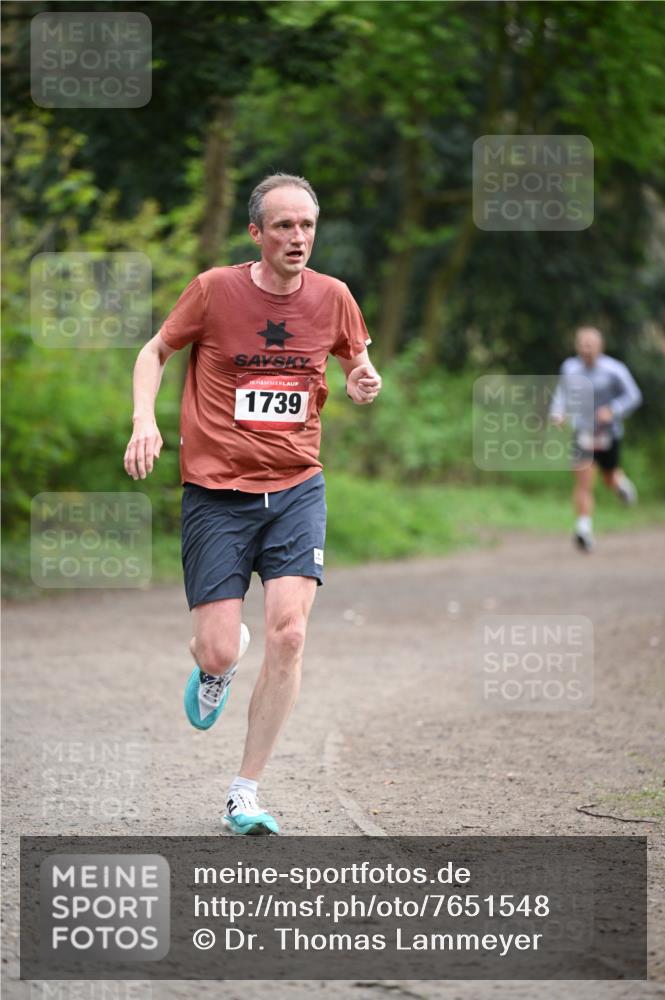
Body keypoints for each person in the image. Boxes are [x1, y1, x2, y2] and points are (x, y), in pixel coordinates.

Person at [124, 173, 381, 834]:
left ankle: (245, 791)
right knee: (215, 649)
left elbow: (354, 357)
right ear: (256, 233)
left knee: (290, 632)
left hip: (297, 487)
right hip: (216, 493)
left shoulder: (334, 297)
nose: (298, 238)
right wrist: (144, 422)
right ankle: (219, 665)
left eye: (307, 226)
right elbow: (155, 350)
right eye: (284, 226)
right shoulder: (214, 290)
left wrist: (360, 376)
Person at [549, 326, 642, 552]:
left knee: (608, 477)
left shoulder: (614, 369)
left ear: (600, 346)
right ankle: (583, 529)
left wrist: (613, 409)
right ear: (576, 346)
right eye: (582, 344)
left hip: (608, 433)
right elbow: (562, 393)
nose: (586, 348)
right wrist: (558, 412)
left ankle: (619, 484)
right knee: (583, 480)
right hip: (583, 431)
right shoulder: (570, 368)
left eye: (590, 344)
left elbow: (634, 395)